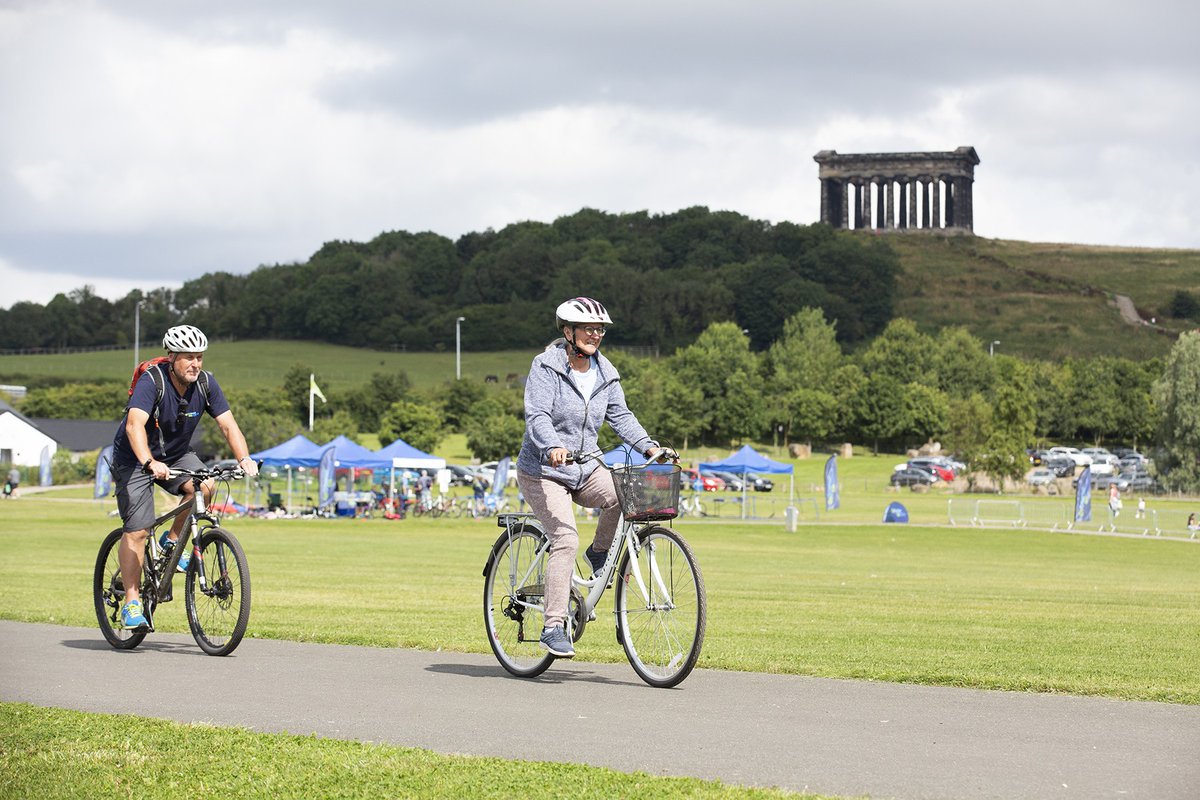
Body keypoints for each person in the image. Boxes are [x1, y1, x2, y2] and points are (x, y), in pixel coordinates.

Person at [516, 297, 669, 659]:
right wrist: (552, 445)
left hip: (586, 466)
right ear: (568, 332)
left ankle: (599, 552)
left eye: (600, 329)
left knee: (623, 494)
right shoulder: (546, 366)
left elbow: (621, 416)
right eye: (588, 329)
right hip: (543, 470)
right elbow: (536, 415)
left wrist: (649, 447)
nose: (595, 335)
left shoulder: (605, 372)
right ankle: (553, 626)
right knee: (565, 538)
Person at [110, 325, 258, 630]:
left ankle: (173, 543)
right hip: (135, 458)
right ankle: (132, 602)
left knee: (206, 485)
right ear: (172, 357)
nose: (196, 364)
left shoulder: (205, 384)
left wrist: (244, 459)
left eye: (200, 357)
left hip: (175, 454)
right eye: (189, 357)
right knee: (137, 531)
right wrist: (149, 462)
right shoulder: (153, 381)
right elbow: (133, 426)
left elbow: (229, 426)